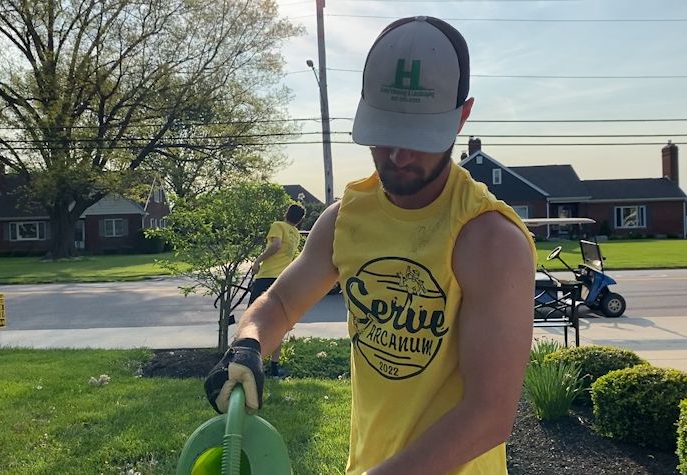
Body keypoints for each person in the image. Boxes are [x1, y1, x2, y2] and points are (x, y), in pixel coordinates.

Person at [204, 16, 536, 474]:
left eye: (418, 136)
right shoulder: (347, 218)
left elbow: (488, 415)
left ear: (462, 116)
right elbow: (280, 302)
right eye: (387, 132)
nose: (398, 155)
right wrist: (248, 344)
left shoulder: (490, 240)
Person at [247, 202, 306, 377]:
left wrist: (257, 261)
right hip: (283, 281)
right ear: (300, 220)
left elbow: (276, 246)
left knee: (253, 321)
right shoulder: (295, 233)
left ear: (286, 213)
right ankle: (273, 367)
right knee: (277, 323)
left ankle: (249, 363)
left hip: (266, 277)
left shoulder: (277, 226)